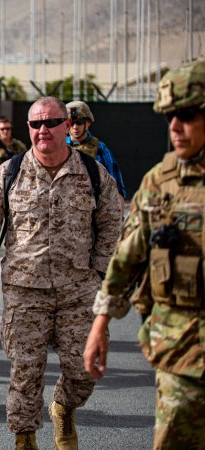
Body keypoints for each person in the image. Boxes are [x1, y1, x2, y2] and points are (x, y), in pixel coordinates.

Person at [0, 96, 122, 450]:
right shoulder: (7, 173)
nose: (43, 130)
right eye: (36, 124)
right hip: (25, 289)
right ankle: (25, 439)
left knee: (84, 369)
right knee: (25, 371)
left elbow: (112, 222)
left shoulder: (93, 173)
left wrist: (99, 269)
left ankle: (64, 408)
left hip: (79, 288)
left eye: (51, 122)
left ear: (67, 126)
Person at [84, 58, 205, 450]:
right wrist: (100, 322)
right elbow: (128, 257)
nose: (175, 127)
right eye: (170, 116)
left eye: (186, 115)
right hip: (182, 348)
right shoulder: (160, 181)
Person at [66, 100, 127, 208]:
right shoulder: (59, 147)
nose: (75, 127)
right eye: (72, 122)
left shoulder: (100, 149)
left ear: (88, 123)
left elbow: (115, 187)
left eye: (79, 122)